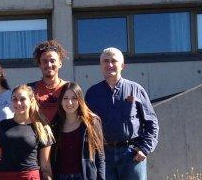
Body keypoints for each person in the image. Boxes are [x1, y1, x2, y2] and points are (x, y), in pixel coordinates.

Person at [85, 47, 159, 180]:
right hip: (103, 156)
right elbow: (86, 126)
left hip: (132, 154)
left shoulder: (136, 89)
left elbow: (151, 122)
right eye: (105, 61)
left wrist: (144, 149)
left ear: (123, 65)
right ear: (101, 65)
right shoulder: (92, 93)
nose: (110, 65)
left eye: (114, 61)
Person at [0, 85, 53, 180]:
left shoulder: (42, 128)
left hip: (29, 176)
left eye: (22, 99)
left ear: (31, 101)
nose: (18, 103)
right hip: (4, 176)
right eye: (14, 99)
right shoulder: (3, 125)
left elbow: (45, 165)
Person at [50, 82, 105, 180]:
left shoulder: (92, 122)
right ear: (61, 101)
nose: (69, 102)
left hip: (85, 176)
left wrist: (101, 178)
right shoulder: (55, 124)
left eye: (74, 98)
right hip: (60, 176)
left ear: (80, 100)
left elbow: (100, 156)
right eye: (65, 98)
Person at [28, 40, 71, 123]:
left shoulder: (70, 88)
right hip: (37, 135)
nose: (49, 65)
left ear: (60, 63)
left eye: (52, 60)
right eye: (44, 61)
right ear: (39, 64)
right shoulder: (30, 90)